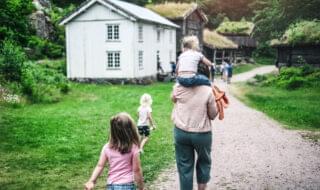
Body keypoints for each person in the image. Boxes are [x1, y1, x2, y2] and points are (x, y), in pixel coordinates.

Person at [171, 65, 218, 190]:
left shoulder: (178, 87)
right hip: (202, 133)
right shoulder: (208, 90)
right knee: (204, 162)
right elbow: (213, 115)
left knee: (184, 166)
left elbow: (173, 99)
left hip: (181, 131)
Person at [84, 112, 144, 190]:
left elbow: (100, 166)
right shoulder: (133, 148)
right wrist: (141, 187)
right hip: (127, 185)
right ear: (131, 130)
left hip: (111, 186)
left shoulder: (107, 147)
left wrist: (92, 181)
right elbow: (137, 170)